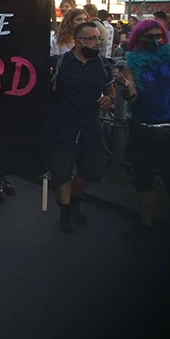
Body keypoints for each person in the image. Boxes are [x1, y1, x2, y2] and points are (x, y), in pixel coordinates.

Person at [119, 19, 170, 238]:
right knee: (143, 179)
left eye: (159, 36)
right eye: (150, 37)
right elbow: (132, 95)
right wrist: (127, 88)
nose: (155, 40)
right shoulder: (132, 62)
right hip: (142, 128)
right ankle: (146, 225)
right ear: (140, 39)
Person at [47, 22, 123, 233]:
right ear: (79, 41)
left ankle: (72, 198)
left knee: (92, 171)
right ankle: (66, 212)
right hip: (63, 125)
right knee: (61, 172)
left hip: (90, 126)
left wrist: (109, 98)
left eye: (99, 38)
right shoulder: (60, 63)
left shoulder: (102, 65)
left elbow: (110, 91)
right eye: (92, 38)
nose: (97, 42)